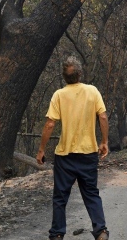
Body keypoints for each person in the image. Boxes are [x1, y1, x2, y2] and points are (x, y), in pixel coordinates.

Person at [36, 56, 110, 240]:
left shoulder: (59, 95)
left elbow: (50, 124)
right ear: (80, 74)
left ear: (64, 77)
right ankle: (100, 231)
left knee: (60, 197)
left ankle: (57, 235)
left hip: (65, 156)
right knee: (91, 193)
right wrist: (104, 142)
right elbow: (102, 117)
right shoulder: (92, 91)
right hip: (88, 154)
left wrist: (41, 150)